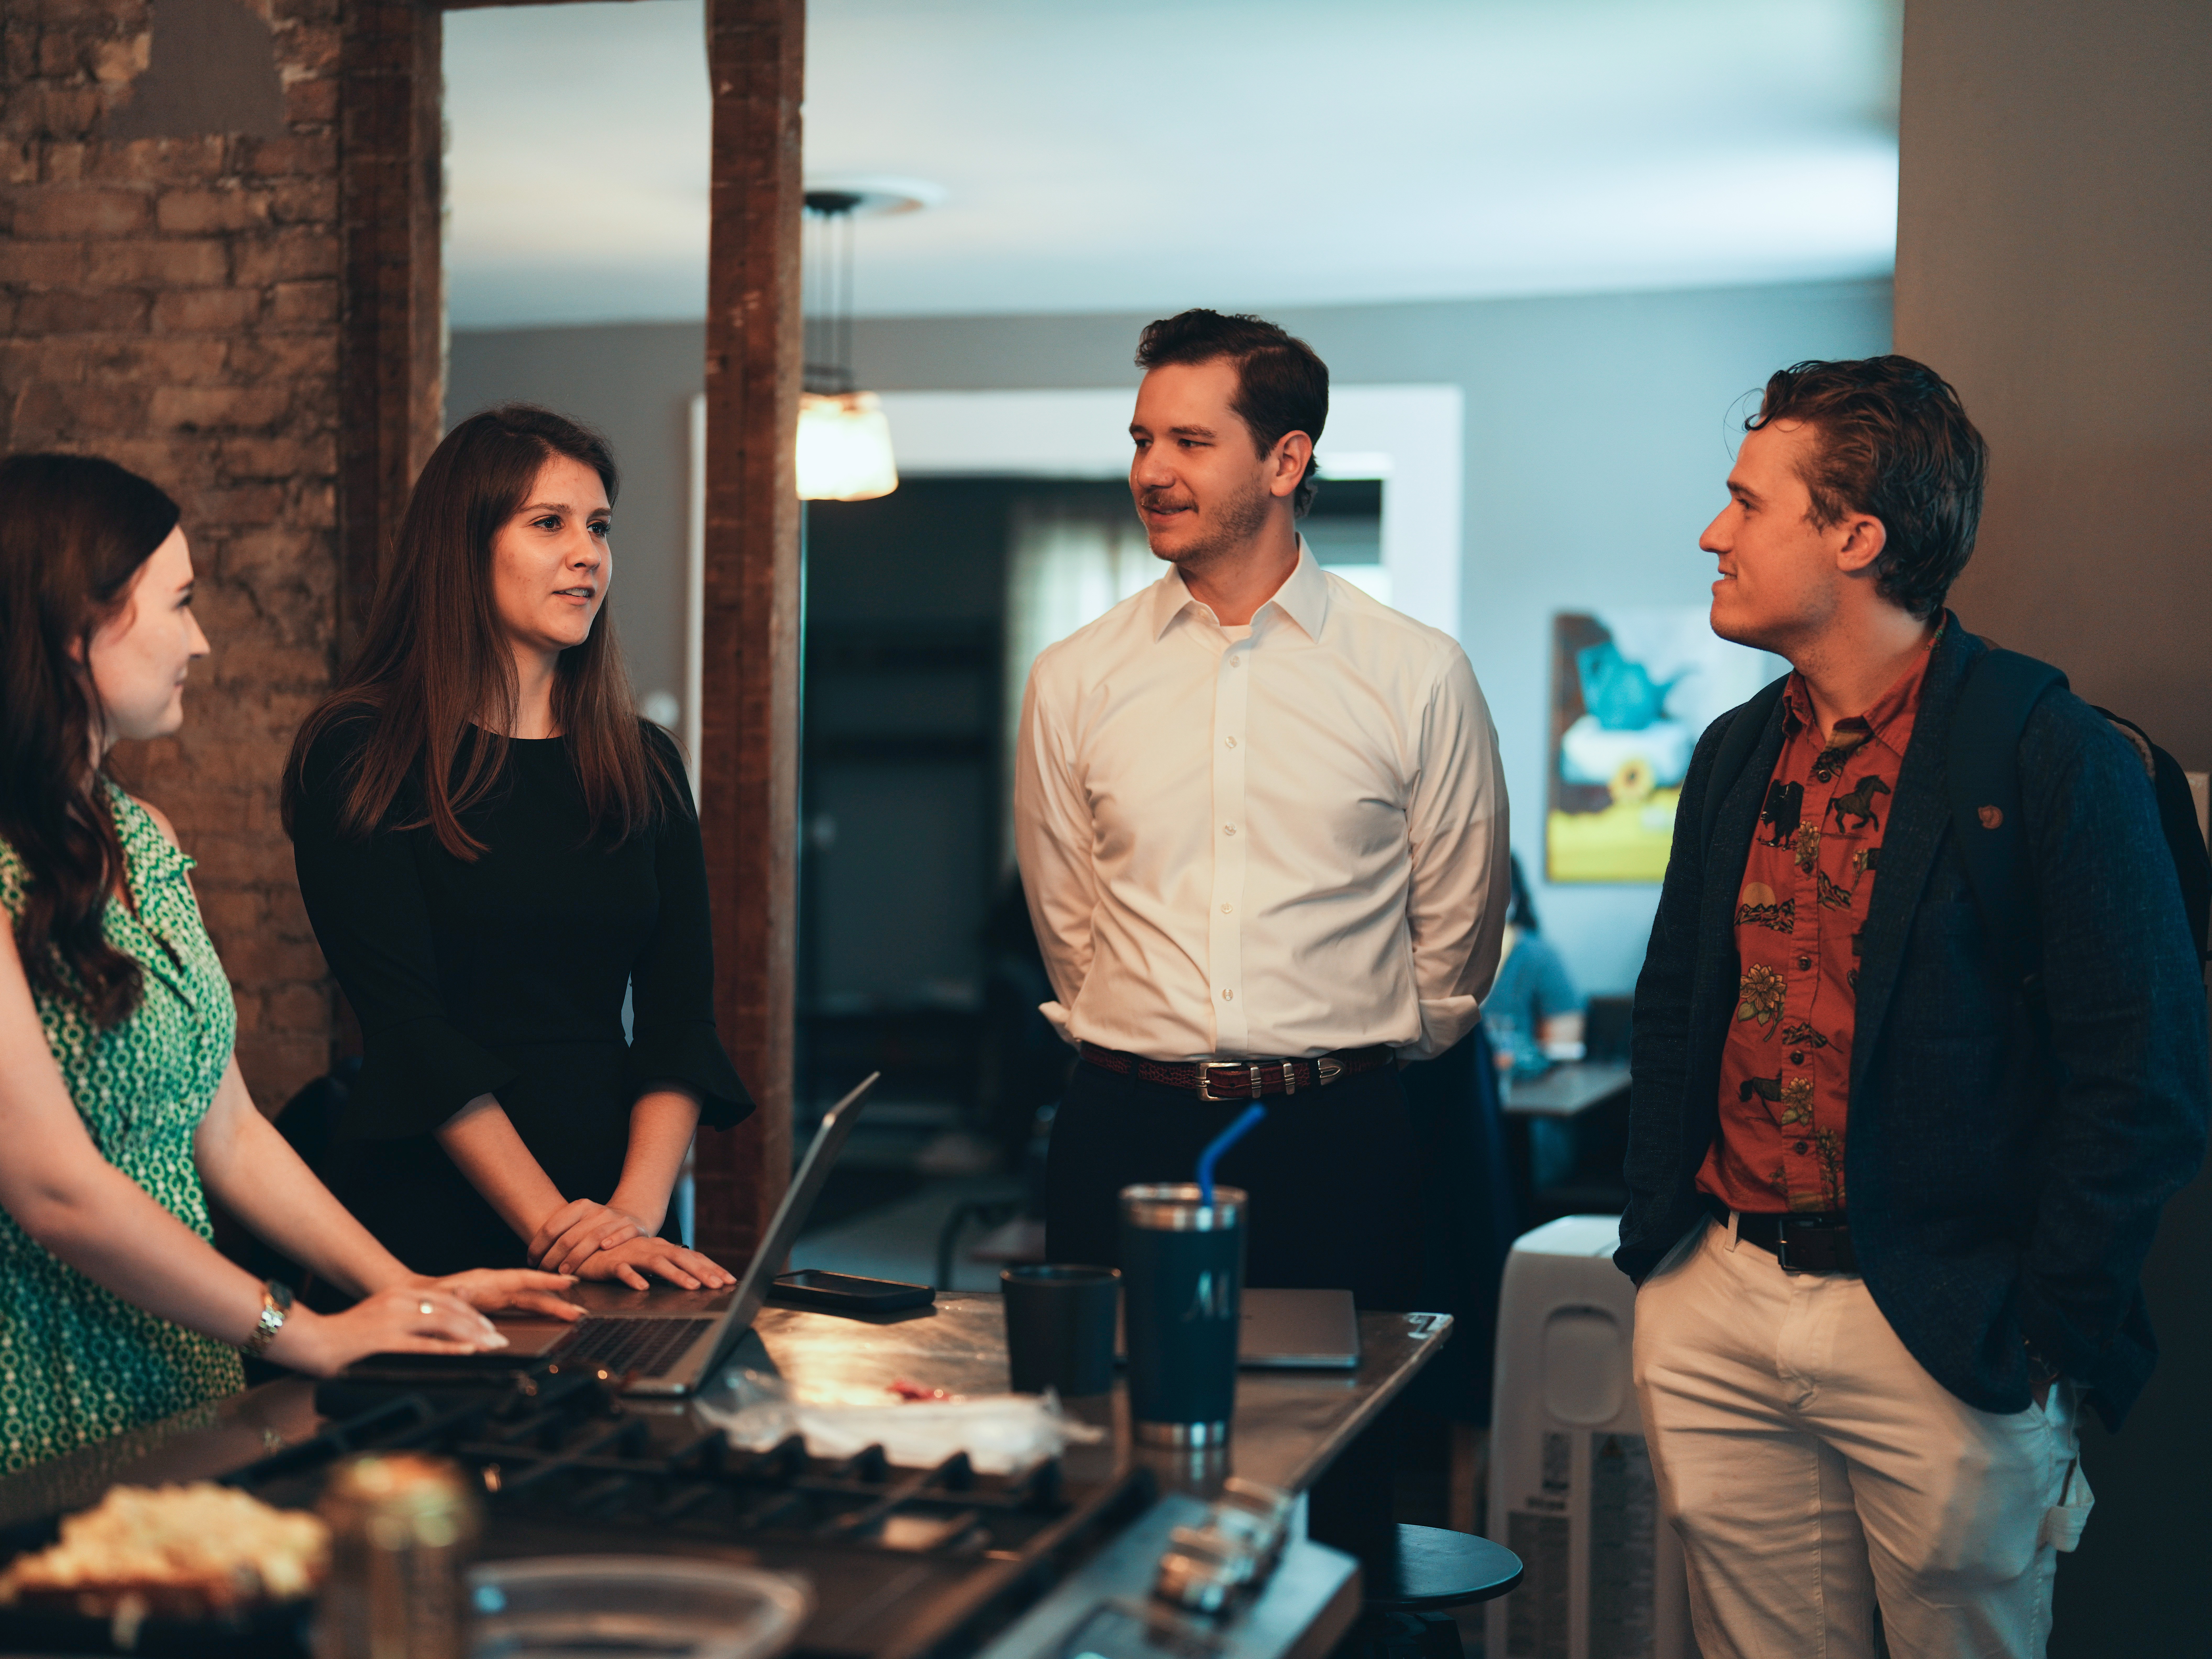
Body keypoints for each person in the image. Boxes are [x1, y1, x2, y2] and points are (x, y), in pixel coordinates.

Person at [1617, 356, 2209, 1657]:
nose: (1715, 533)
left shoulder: (2050, 754)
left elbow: (2147, 1077)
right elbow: (1674, 1014)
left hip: (1945, 1329)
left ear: (1857, 535)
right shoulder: (1731, 752)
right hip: (1715, 1293)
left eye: (1746, 502)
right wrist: (1657, 1253)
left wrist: (2045, 1331)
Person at [0, 454, 577, 1475]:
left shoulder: (141, 834)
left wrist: (402, 1290)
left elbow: (227, 1131)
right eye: (178, 605)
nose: (203, 639)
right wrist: (302, 1332)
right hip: (42, 1395)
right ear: (72, 630)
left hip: (184, 1374)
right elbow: (56, 1190)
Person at [1016, 308, 1511, 1308]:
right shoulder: (1074, 678)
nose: (1153, 470)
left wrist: (1340, 1056)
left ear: (1287, 462)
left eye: (1191, 443)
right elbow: (1071, 927)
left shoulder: (1417, 674)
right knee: (1108, 1442)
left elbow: (1457, 941)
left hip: (1338, 1139)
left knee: (1343, 1448)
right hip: (1123, 1128)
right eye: (1143, 440)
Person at [284, 406, 752, 1287]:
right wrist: (560, 1229)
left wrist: (632, 1216)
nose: (589, 552)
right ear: (464, 544)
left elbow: (678, 1022)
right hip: (437, 1208)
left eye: (599, 527)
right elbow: (410, 1032)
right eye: (549, 523)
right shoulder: (358, 753)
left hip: (623, 1213)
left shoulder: (643, 760)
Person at [1482, 854, 1584, 1074]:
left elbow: (1564, 1052)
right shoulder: (1433, 958)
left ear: (1513, 898)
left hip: (1522, 1094)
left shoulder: (1539, 957)